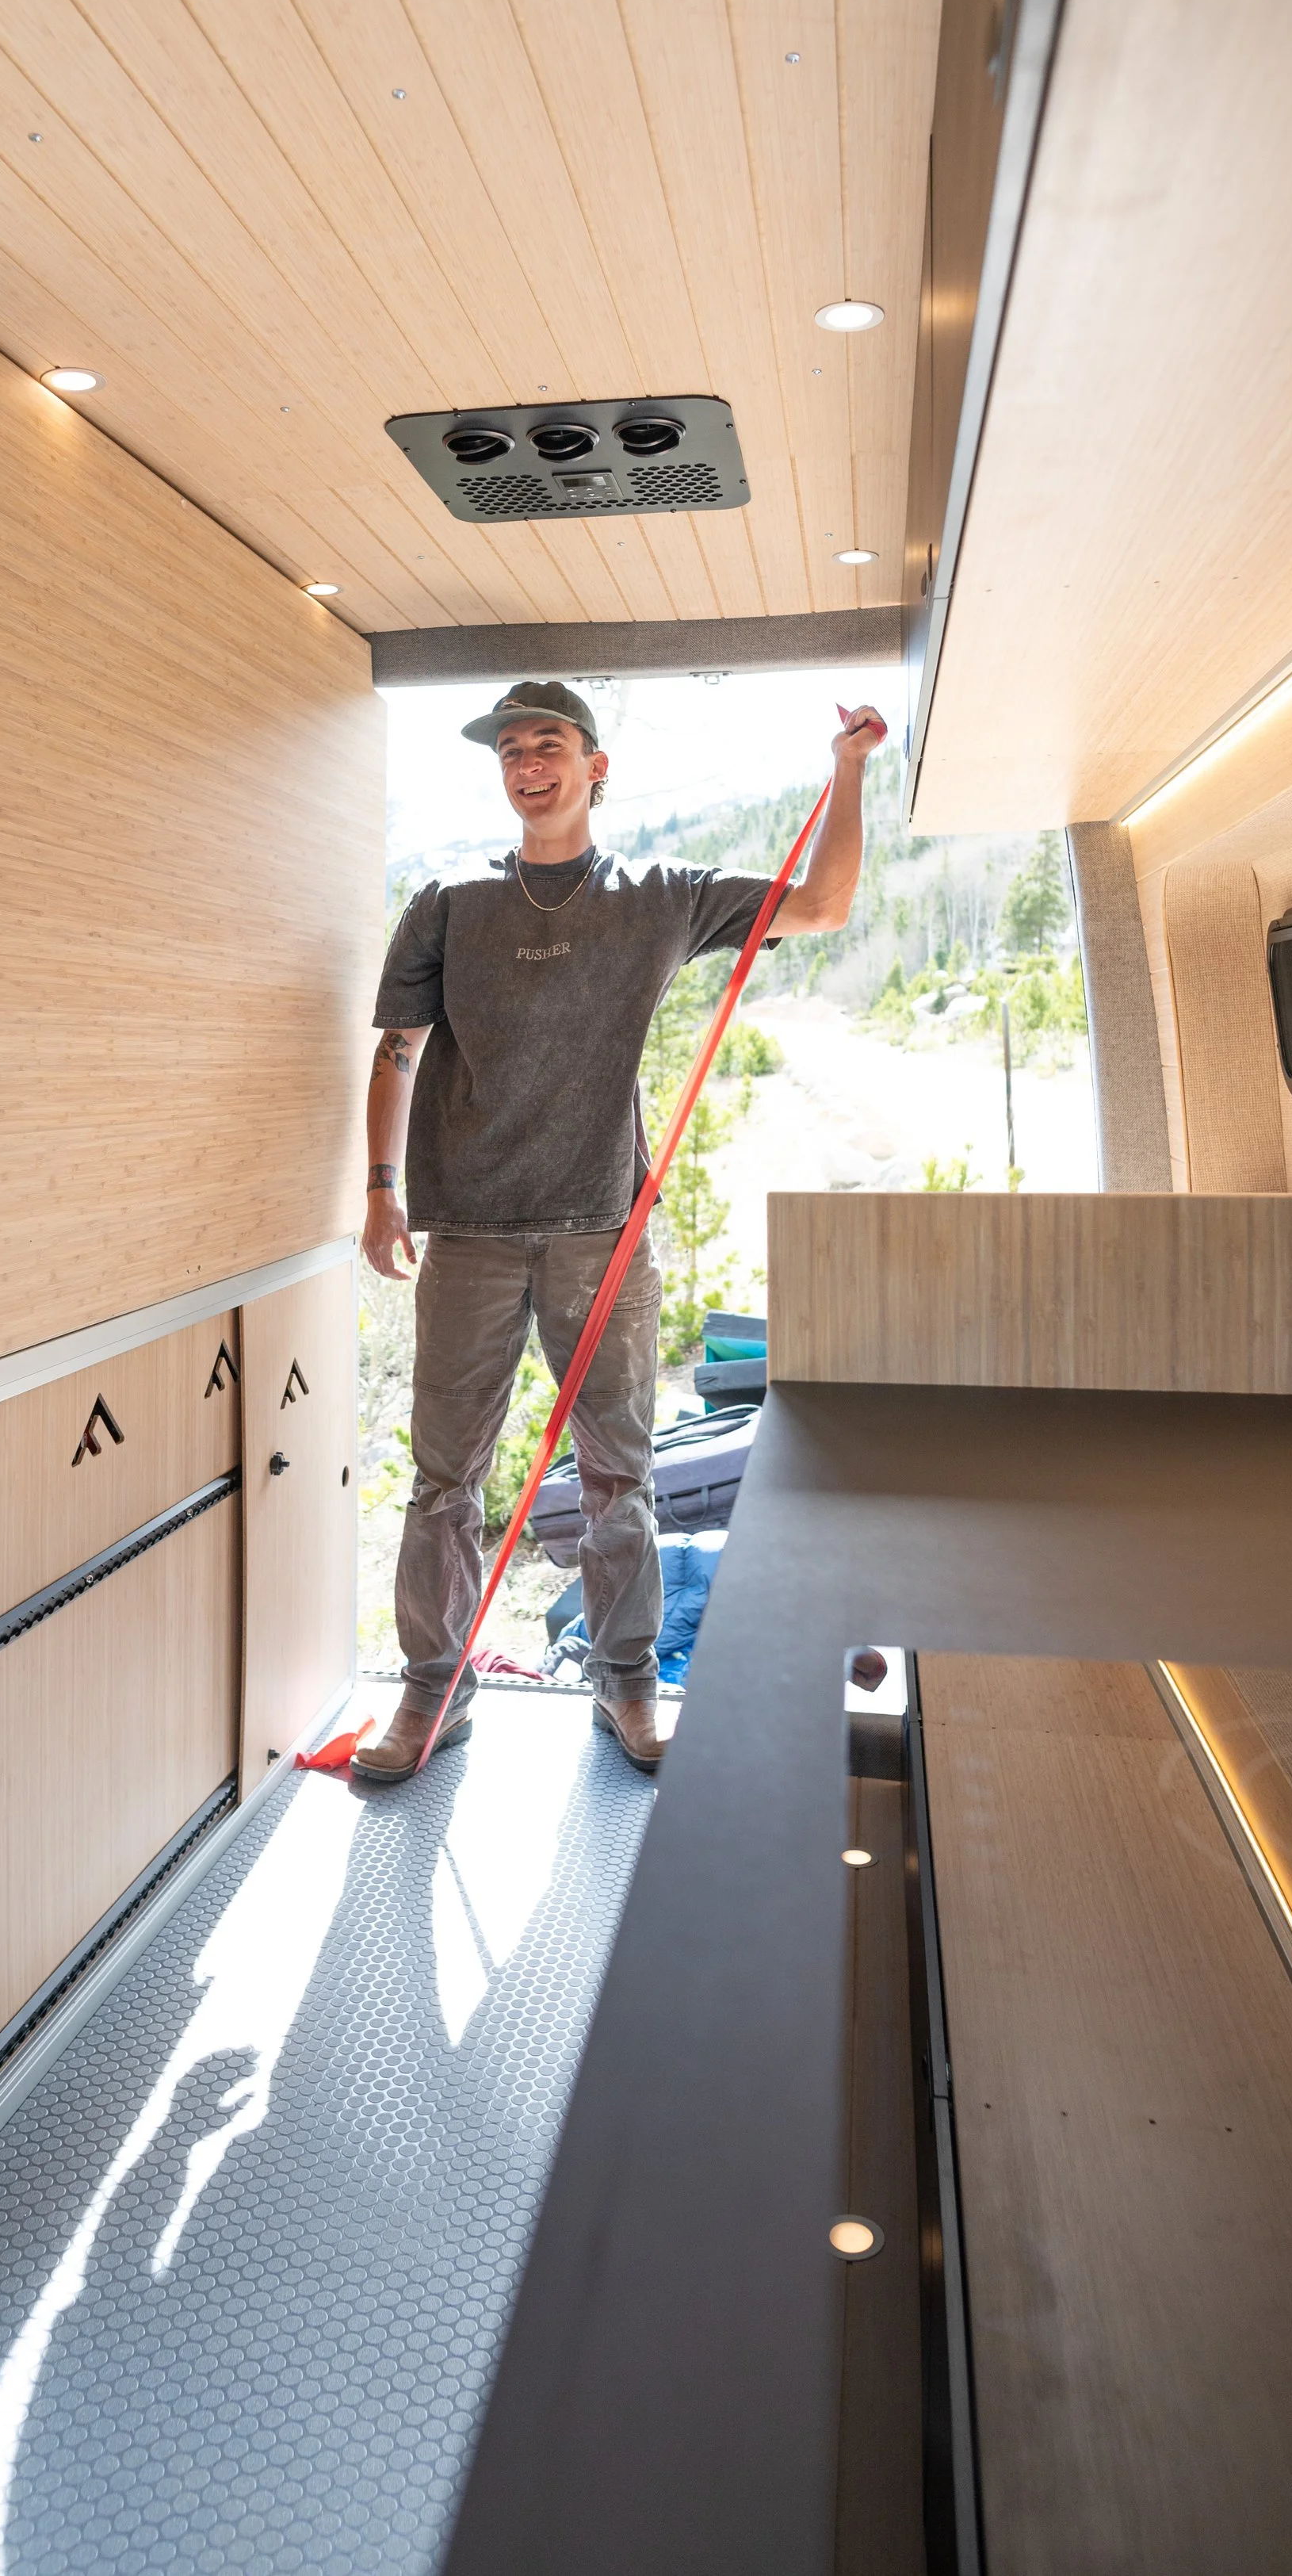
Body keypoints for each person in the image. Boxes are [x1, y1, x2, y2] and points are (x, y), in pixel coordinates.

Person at [353, 679, 884, 1783]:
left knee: (618, 1479)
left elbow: (824, 905)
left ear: (597, 767)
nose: (525, 760)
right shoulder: (447, 904)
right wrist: (379, 1189)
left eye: (547, 742)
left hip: (604, 1233)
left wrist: (847, 769)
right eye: (509, 747)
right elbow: (397, 1050)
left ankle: (629, 1686)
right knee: (445, 1480)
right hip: (470, 1236)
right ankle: (428, 1696)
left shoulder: (661, 897)